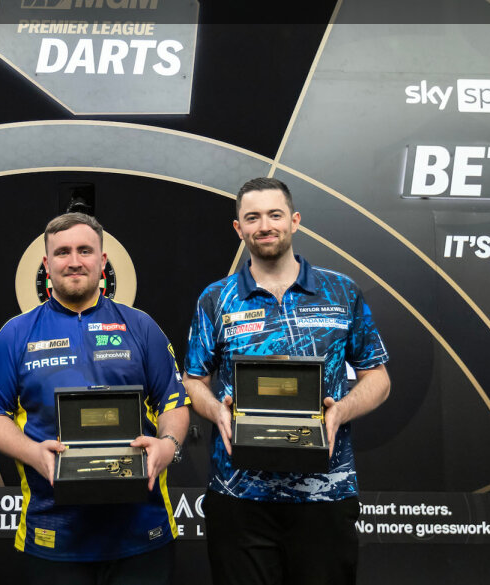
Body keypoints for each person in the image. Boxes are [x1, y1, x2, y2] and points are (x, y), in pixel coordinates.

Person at [184, 177, 391, 585]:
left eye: (275, 215)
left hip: (325, 492)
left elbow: (379, 378)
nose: (265, 226)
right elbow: (193, 381)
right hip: (238, 495)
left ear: (294, 220)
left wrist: (341, 411)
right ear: (238, 228)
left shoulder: (342, 292)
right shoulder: (215, 298)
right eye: (253, 217)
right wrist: (217, 412)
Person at [0, 212, 189, 584]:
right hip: (52, 532)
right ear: (47, 264)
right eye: (62, 252)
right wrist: (32, 453)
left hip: (142, 531)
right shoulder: (16, 333)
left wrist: (168, 445)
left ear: (102, 260)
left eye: (85, 251)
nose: (74, 261)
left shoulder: (141, 327)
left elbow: (174, 402)